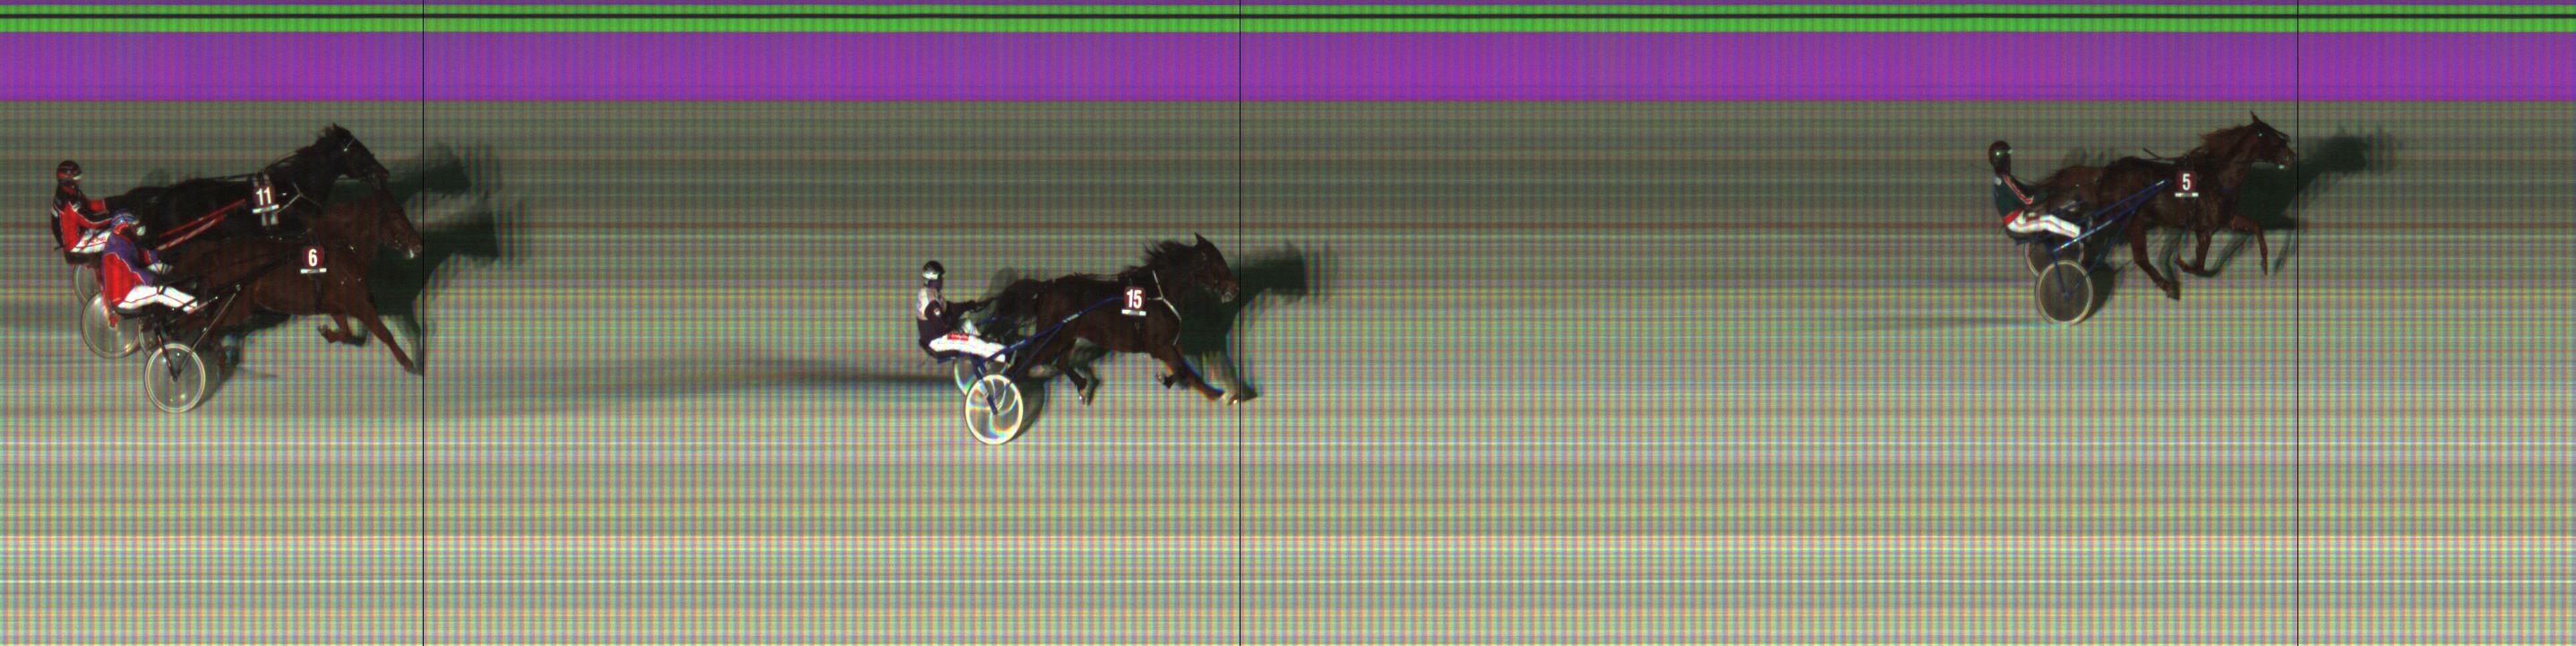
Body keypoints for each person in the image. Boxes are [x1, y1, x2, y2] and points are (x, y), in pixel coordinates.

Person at [97, 216, 204, 314]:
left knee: (161, 266)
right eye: (134, 226)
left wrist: (160, 256)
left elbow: (140, 256)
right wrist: (152, 280)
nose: (137, 229)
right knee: (160, 291)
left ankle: (182, 288)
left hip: (129, 280)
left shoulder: (122, 240)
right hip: (123, 295)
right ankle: (196, 306)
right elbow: (133, 271)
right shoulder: (117, 250)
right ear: (125, 227)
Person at [1988, 142, 2083, 239]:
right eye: (2008, 158)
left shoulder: (2001, 178)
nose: (2010, 160)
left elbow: (2023, 188)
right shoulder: (2005, 181)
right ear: (2004, 161)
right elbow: (2027, 200)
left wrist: (2041, 189)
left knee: (2052, 208)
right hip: (2017, 222)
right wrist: (2045, 193)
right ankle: (2080, 233)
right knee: (2048, 221)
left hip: (2020, 215)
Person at [916, 261, 1003, 358]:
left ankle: (983, 352)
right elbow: (944, 325)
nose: (942, 280)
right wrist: (958, 313)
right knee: (970, 341)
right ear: (933, 279)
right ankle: (1005, 356)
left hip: (940, 334)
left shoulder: (930, 293)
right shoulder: (930, 302)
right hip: (938, 340)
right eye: (940, 277)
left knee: (967, 323)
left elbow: (950, 307)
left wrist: (969, 305)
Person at [53, 160, 119, 254]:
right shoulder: (69, 203)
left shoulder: (68, 191)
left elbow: (88, 205)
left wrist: (109, 202)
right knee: (119, 235)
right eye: (76, 178)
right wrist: (115, 215)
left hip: (81, 231)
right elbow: (92, 221)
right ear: (68, 181)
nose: (78, 181)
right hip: (75, 242)